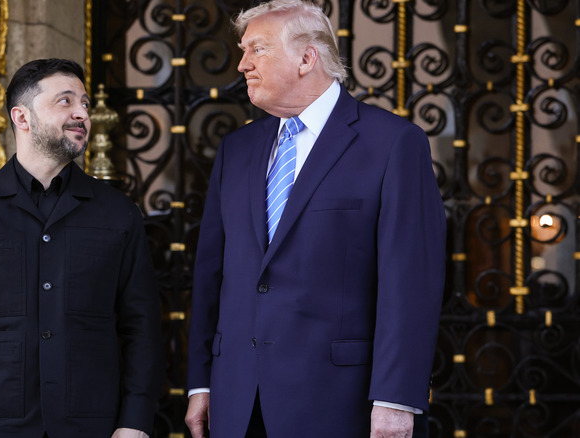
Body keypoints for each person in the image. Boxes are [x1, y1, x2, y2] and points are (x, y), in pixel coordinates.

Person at [184, 1, 446, 437]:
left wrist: (396, 398)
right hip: (236, 400)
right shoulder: (237, 149)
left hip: (338, 402)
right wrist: (199, 382)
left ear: (307, 58)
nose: (242, 63)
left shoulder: (394, 143)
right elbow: (211, 274)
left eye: (257, 49)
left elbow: (410, 281)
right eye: (243, 50)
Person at [0, 58, 164, 438]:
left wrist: (135, 423)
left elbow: (142, 327)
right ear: (22, 117)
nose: (81, 113)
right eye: (65, 101)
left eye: (84, 103)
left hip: (94, 426)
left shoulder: (119, 214)